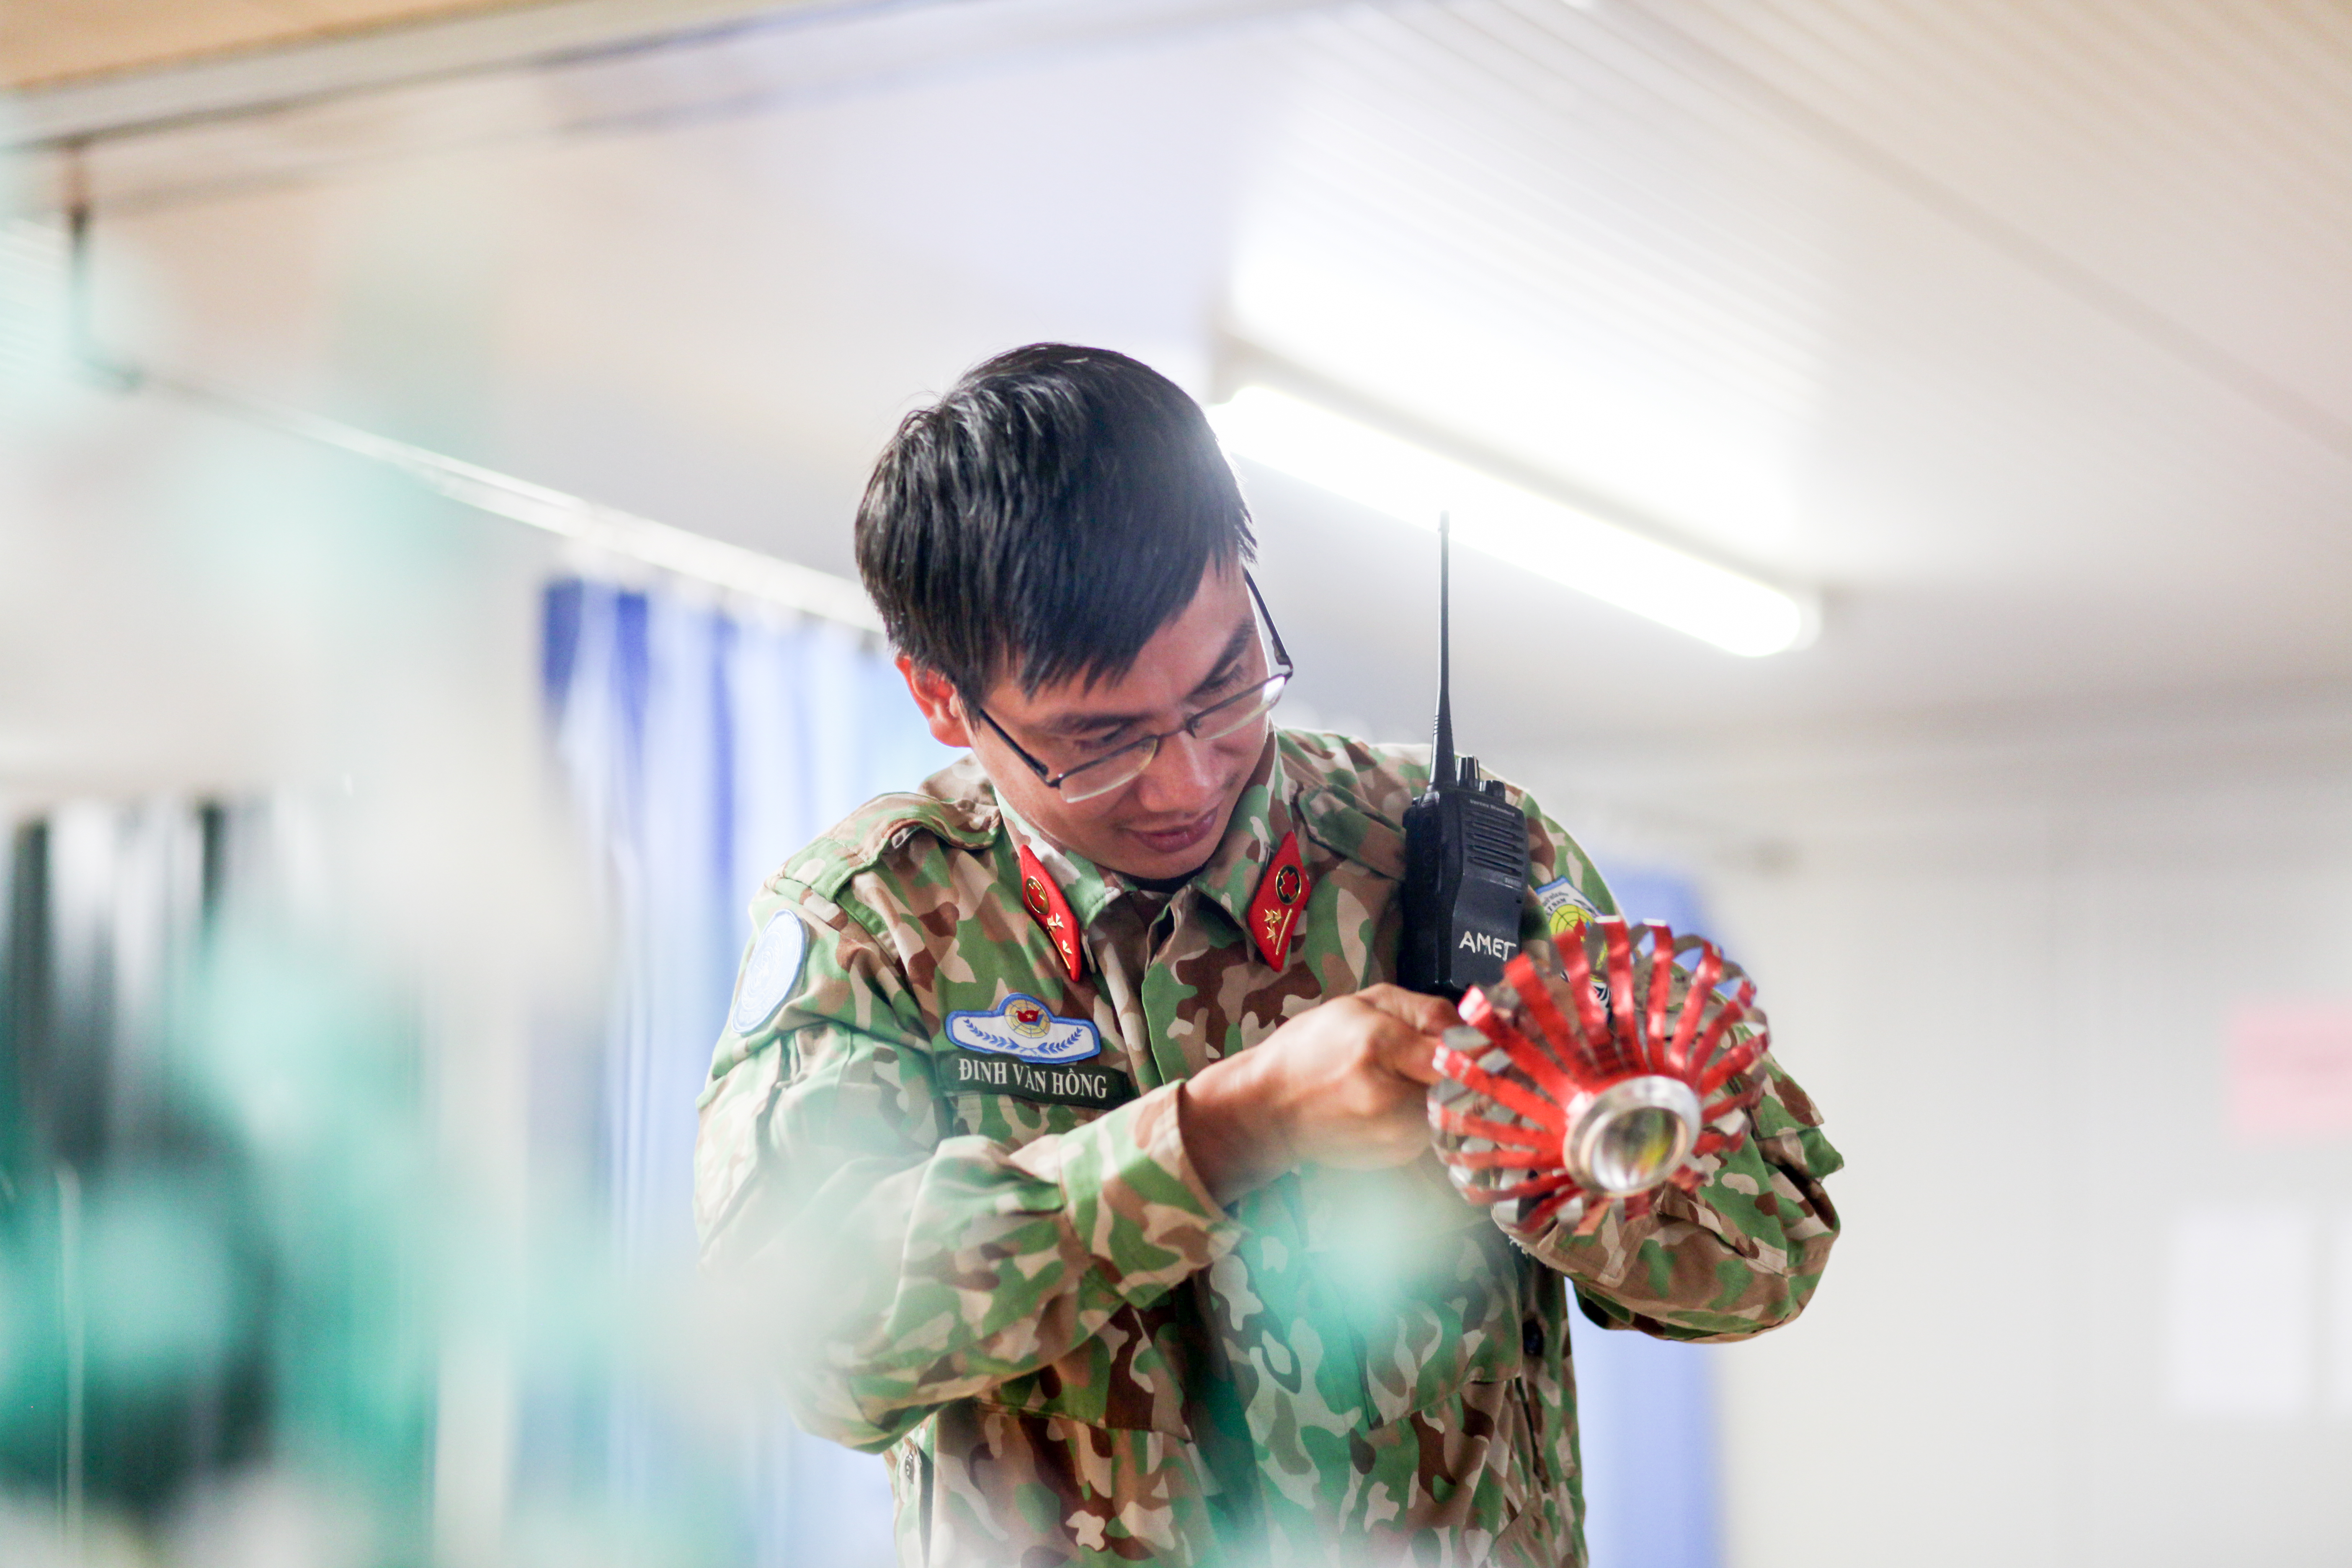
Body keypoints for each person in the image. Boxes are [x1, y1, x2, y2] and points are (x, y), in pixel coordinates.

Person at [694, 343, 1841, 1566]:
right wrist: (1224, 1131)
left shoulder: (1456, 863)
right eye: (1100, 741)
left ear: (1246, 587)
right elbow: (801, 1340)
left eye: (1228, 682)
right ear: (941, 699)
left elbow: (1772, 1258)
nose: (1187, 778)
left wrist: (1562, 1150)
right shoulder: (883, 921)